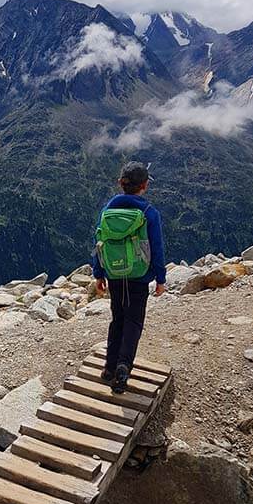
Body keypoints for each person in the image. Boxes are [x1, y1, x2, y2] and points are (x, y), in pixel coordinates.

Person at [92, 162, 166, 393]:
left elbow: (100, 242)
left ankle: (108, 368)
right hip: (139, 275)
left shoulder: (107, 210)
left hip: (114, 273)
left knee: (118, 319)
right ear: (144, 185)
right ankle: (124, 367)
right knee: (133, 322)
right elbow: (157, 247)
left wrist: (98, 272)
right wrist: (160, 278)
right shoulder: (148, 212)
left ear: (120, 183)